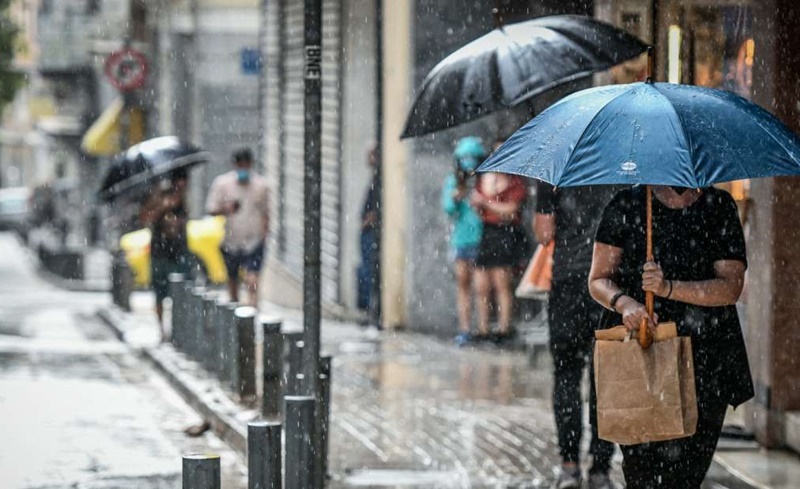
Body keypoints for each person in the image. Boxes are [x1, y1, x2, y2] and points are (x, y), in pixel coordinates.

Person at [588, 185, 753, 488]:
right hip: (639, 353)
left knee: (687, 475)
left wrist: (668, 288)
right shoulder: (627, 204)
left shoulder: (718, 205)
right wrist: (626, 304)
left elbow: (730, 287)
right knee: (641, 473)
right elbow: (598, 279)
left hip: (706, 360)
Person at [534, 182, 616, 489]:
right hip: (610, 286)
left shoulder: (556, 172)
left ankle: (569, 466)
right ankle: (601, 467)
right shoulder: (625, 165)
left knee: (567, 374)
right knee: (605, 378)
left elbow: (543, 235)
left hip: (568, 283)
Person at [470, 139, 529, 344]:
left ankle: (504, 328)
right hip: (487, 232)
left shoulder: (514, 181)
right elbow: (479, 205)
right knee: (481, 284)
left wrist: (487, 204)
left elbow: (511, 210)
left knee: (501, 283)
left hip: (505, 234)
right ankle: (483, 328)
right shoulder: (485, 178)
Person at [206, 148, 270, 307]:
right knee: (232, 279)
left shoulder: (261, 186)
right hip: (231, 240)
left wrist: (264, 236)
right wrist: (226, 209)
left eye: (246, 165)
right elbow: (211, 209)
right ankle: (234, 310)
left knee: (252, 279)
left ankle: (252, 309)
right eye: (240, 165)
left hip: (254, 240)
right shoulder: (222, 184)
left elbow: (266, 212)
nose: (243, 169)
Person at [441, 137, 485, 346]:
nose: (469, 162)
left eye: (473, 157)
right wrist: (456, 197)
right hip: (461, 240)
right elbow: (448, 208)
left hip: (481, 238)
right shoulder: (452, 181)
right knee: (463, 285)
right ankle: (465, 328)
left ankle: (482, 328)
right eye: (465, 158)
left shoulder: (484, 180)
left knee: (481, 287)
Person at [139, 169, 191, 341]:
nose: (182, 186)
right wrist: (163, 207)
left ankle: (179, 329)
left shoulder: (183, 199)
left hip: (179, 251)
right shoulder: (158, 195)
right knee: (160, 292)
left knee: (181, 292)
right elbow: (145, 217)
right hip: (160, 251)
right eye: (180, 182)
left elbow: (184, 222)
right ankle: (162, 330)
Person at [357, 144, 381, 326]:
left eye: (371, 153)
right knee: (366, 270)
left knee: (369, 270)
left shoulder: (380, 179)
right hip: (367, 232)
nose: (368, 156)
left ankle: (370, 309)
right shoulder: (375, 177)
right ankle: (368, 309)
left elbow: (377, 209)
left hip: (370, 233)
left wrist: (368, 221)